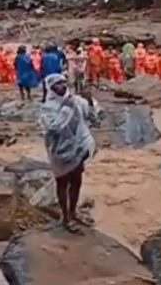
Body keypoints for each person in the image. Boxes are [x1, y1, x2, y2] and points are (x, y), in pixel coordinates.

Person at [39, 73, 99, 232]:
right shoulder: (47, 108)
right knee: (62, 183)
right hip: (59, 151)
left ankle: (73, 212)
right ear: (50, 88)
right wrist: (67, 107)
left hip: (78, 149)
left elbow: (94, 118)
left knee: (76, 181)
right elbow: (54, 128)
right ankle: (65, 217)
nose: (63, 86)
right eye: (58, 84)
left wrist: (90, 102)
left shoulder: (76, 101)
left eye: (64, 83)